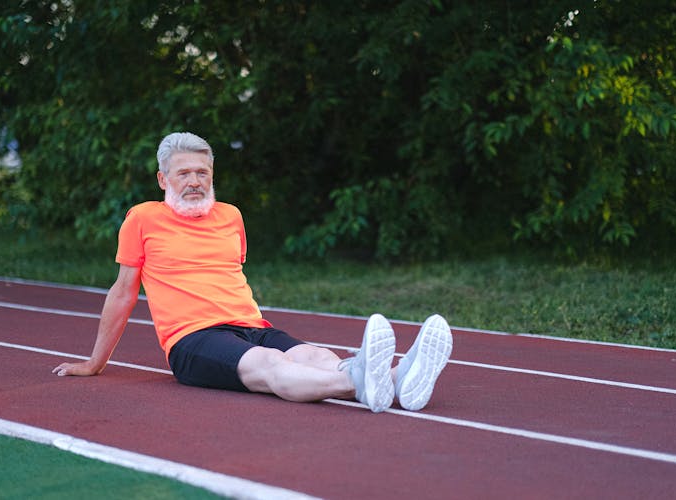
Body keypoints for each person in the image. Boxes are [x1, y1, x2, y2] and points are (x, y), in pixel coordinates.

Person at [52, 132, 453, 413]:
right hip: (192, 341)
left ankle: (394, 379)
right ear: (163, 179)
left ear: (212, 175)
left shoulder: (231, 215)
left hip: (250, 324)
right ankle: (369, 379)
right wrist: (94, 362)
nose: (194, 181)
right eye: (184, 173)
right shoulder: (142, 218)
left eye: (202, 173)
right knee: (269, 364)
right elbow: (123, 293)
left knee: (312, 354)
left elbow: (229, 275)